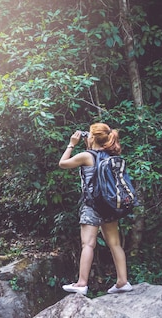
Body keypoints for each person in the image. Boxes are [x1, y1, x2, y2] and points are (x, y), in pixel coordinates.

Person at [58, 123, 133, 295]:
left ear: (92, 137)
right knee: (114, 244)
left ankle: (82, 283)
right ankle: (122, 281)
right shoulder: (110, 156)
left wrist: (72, 144)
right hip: (110, 205)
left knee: (88, 244)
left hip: (92, 206)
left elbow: (62, 163)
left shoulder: (86, 156)